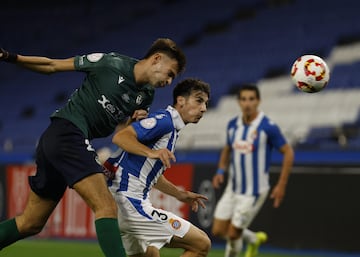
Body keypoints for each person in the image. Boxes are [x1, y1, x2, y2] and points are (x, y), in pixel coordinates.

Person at [0, 38, 186, 257]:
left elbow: (121, 136)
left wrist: (133, 123)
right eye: (170, 73)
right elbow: (52, 66)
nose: (169, 81)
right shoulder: (109, 63)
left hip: (63, 141)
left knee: (30, 223)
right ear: (156, 59)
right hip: (66, 132)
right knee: (106, 206)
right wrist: (9, 57)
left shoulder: (146, 95)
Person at [103, 78, 211, 257]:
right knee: (201, 244)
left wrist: (180, 195)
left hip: (122, 204)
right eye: (199, 100)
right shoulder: (165, 121)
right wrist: (151, 152)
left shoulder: (172, 129)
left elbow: (149, 173)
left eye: (206, 103)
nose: (203, 108)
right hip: (130, 203)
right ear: (181, 100)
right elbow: (121, 137)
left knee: (151, 254)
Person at [211, 84, 294, 257]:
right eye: (243, 99)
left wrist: (281, 185)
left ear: (258, 101)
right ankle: (254, 239)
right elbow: (227, 148)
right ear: (239, 102)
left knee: (234, 234)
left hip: (254, 191)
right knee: (218, 230)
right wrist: (220, 170)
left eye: (251, 99)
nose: (247, 103)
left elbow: (288, 152)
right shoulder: (233, 125)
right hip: (233, 188)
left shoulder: (267, 126)